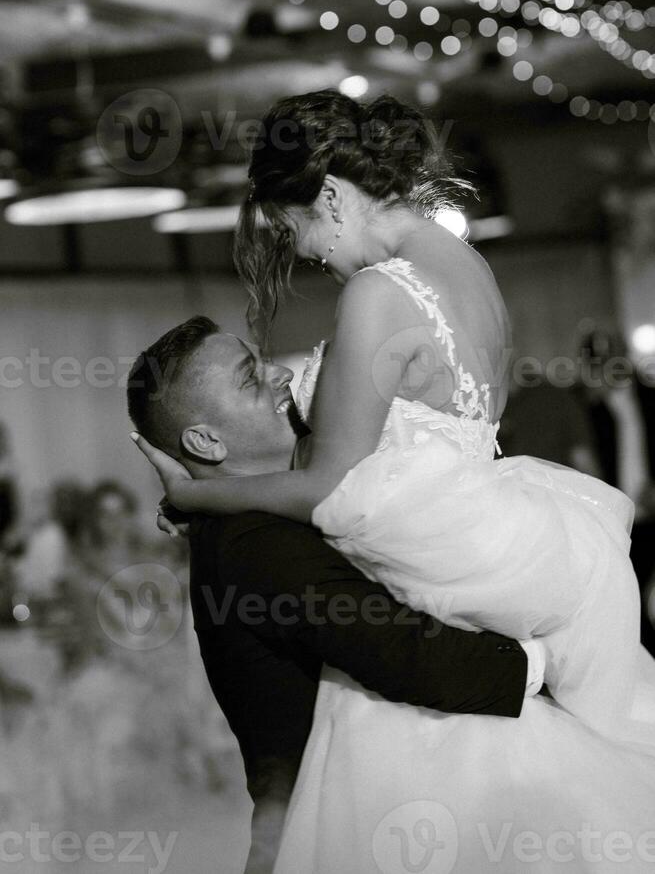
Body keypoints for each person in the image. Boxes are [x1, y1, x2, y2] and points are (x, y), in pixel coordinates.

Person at [133, 90, 655, 872]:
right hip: (494, 540)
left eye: (294, 228)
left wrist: (197, 494)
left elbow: (329, 487)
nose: (305, 253)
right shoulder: (462, 268)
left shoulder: (377, 294)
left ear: (332, 198)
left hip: (440, 566)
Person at [127, 317, 543, 873]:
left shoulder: (260, 515)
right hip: (337, 838)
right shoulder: (252, 544)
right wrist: (546, 662)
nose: (280, 375)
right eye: (251, 378)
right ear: (205, 441)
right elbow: (406, 654)